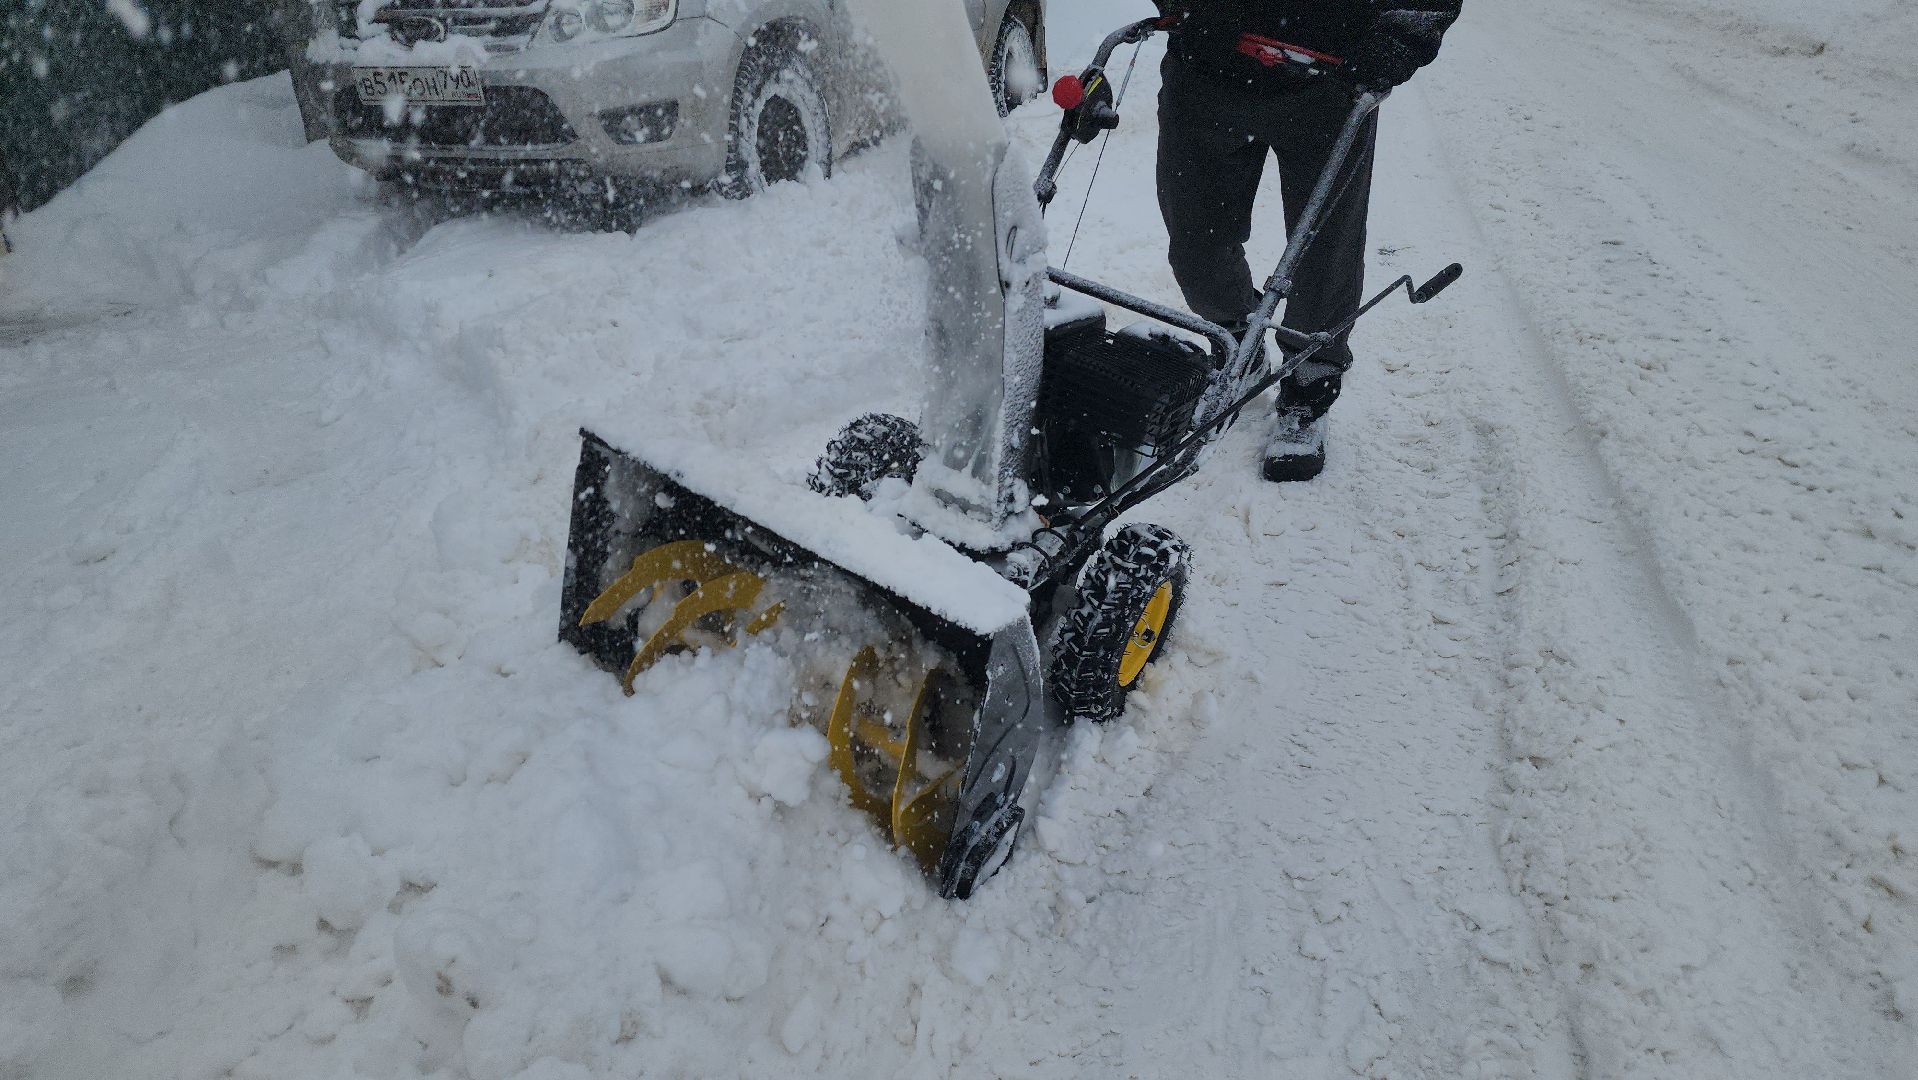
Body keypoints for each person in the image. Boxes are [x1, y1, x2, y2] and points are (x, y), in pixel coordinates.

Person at [1154, 1, 1461, 481]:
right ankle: (1236, 339)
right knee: (1197, 240)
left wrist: (1403, 34)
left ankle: (1308, 388)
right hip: (1207, 65)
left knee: (1325, 253)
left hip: (1334, 79)